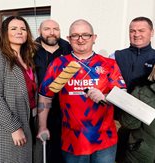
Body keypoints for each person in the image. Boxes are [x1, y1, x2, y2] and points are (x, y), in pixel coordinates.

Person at [37, 19, 126, 163]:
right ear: (68, 39)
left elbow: (123, 95)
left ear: (94, 38)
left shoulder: (108, 64)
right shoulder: (58, 64)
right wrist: (42, 127)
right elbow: (45, 97)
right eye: (75, 35)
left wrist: (105, 96)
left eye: (86, 35)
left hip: (104, 139)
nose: (80, 39)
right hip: (73, 140)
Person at [0, 16, 39, 162]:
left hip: (28, 123)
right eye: (13, 28)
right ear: (4, 33)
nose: (19, 32)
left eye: (23, 29)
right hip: (6, 129)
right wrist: (14, 127)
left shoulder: (28, 60)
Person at [111, 16, 155, 162]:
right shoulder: (116, 56)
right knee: (115, 155)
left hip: (146, 121)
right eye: (132, 30)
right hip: (117, 119)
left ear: (152, 32)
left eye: (141, 30)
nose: (136, 34)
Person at [33, 19, 72, 163]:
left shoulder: (69, 48)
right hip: (40, 107)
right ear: (39, 31)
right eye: (47, 29)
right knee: (41, 148)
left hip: (65, 108)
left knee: (63, 149)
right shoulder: (31, 50)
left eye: (56, 29)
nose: (52, 32)